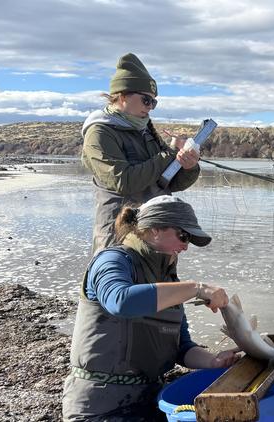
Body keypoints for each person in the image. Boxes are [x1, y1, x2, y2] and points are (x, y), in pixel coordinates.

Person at [62, 196, 240, 421]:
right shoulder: (112, 260)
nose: (185, 246)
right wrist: (197, 288)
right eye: (183, 236)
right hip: (99, 406)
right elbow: (120, 301)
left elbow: (181, 348)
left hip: (150, 400)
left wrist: (213, 361)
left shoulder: (170, 282)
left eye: (189, 240)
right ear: (155, 229)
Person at [81, 53, 200, 254]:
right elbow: (123, 181)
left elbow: (169, 182)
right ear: (123, 95)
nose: (150, 107)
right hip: (120, 236)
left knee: (162, 285)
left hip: (157, 233)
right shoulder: (99, 132)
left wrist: (188, 166)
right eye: (146, 100)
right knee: (121, 285)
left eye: (154, 102)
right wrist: (169, 153)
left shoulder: (145, 130)